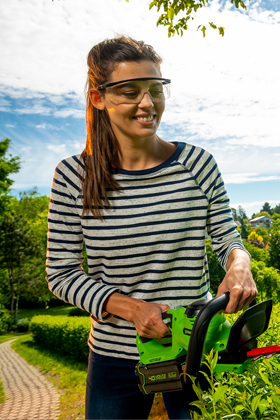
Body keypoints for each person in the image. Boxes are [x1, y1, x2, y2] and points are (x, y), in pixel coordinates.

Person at [45, 36, 257, 419]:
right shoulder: (73, 176)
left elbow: (228, 236)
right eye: (130, 92)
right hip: (115, 360)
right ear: (98, 98)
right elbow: (60, 272)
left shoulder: (197, 163)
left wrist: (239, 264)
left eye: (155, 90)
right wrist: (131, 309)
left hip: (196, 349)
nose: (147, 103)